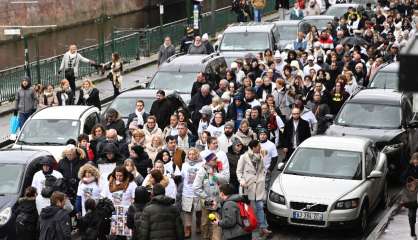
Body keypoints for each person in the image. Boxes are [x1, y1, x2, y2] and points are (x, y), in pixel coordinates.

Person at [236, 140, 272, 237]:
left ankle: (263, 227)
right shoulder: (244, 157)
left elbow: (266, 155)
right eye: (258, 146)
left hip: (259, 184)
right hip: (248, 185)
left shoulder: (261, 154)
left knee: (260, 206)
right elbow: (239, 171)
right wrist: (241, 180)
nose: (260, 147)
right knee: (247, 208)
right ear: (254, 147)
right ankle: (248, 226)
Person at [193, 153, 227, 240]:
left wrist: (214, 175)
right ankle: (206, 237)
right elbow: (196, 188)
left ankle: (215, 238)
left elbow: (225, 180)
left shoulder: (217, 169)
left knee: (215, 223)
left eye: (216, 159)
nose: (216, 161)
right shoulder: (202, 171)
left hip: (216, 202)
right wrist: (206, 197)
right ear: (208, 161)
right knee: (205, 222)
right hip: (207, 202)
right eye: (214, 159)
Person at [180, 148, 205, 237]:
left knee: (199, 211)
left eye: (193, 154)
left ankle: (198, 225)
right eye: (189, 154)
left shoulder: (202, 164)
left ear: (197, 155)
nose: (191, 156)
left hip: (198, 192)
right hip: (187, 191)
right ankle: (188, 228)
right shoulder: (184, 165)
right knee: (187, 211)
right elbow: (182, 177)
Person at [401, 153, 418, 238]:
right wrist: (410, 182)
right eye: (415, 160)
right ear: (412, 160)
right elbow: (402, 178)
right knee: (412, 214)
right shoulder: (409, 168)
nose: (416, 162)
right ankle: (412, 230)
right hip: (412, 194)